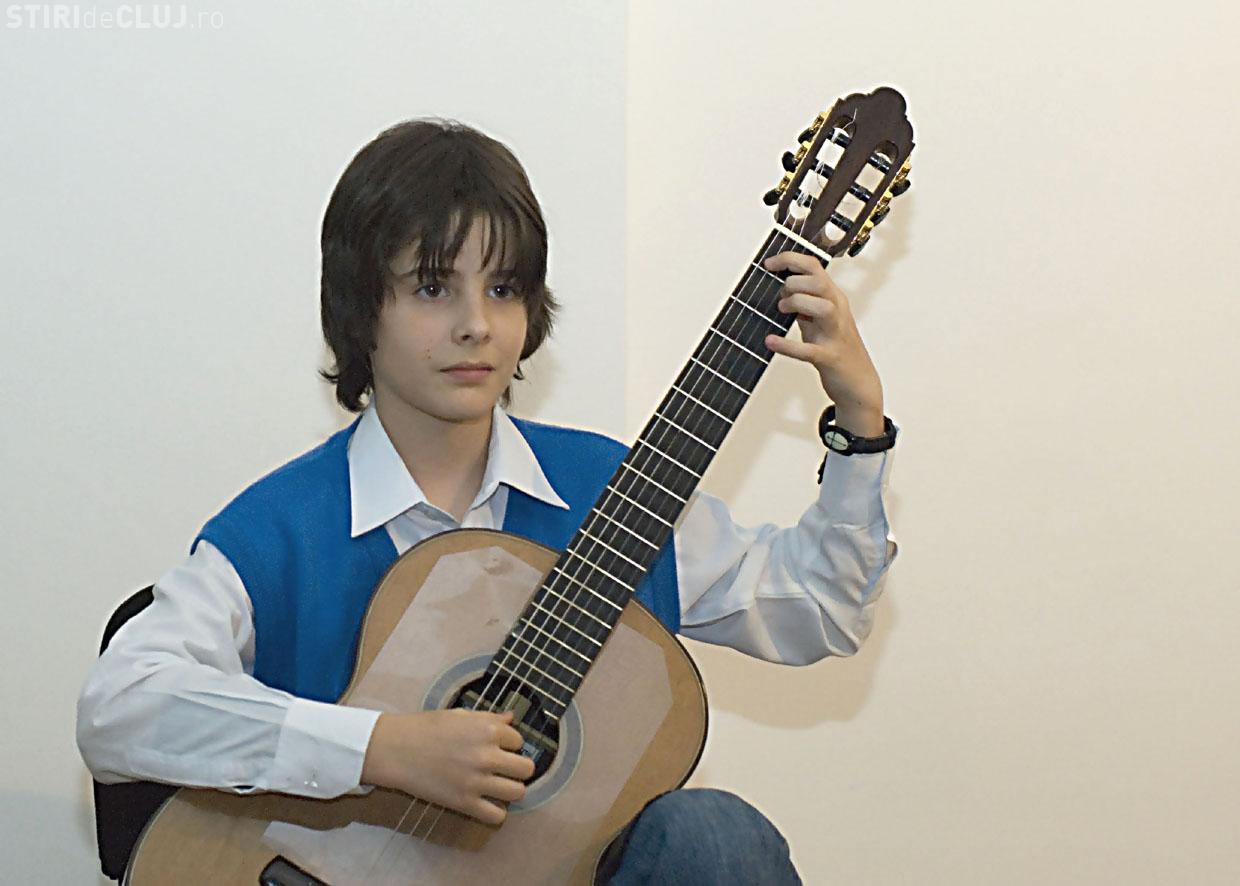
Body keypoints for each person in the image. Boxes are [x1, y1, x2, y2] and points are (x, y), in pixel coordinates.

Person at [77, 118, 898, 884]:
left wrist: (860, 426)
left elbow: (820, 610)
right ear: (360, 309)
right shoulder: (284, 526)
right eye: (433, 288)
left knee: (715, 835)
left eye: (503, 288)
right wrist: (382, 748)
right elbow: (121, 706)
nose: (476, 325)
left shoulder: (616, 495)